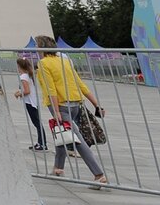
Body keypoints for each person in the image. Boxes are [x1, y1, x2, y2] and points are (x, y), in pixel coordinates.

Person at [35, 35, 108, 186]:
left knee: (77, 140)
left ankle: (99, 174)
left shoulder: (43, 63)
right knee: (62, 134)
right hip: (75, 103)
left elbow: (51, 89)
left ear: (41, 48)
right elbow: (80, 83)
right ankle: (58, 168)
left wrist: (55, 111)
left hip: (60, 105)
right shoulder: (65, 61)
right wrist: (96, 105)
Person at [14, 57, 47, 152]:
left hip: (29, 102)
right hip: (33, 101)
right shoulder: (29, 75)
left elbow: (27, 91)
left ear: (19, 66)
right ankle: (41, 142)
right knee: (37, 122)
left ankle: (42, 143)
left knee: (37, 123)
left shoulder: (23, 77)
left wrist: (18, 93)